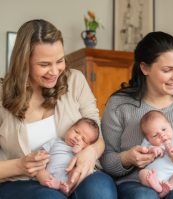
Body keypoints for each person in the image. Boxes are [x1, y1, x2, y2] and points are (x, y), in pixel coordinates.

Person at [0, 19, 117, 199]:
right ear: (24, 62)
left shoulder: (75, 81)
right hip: (23, 183)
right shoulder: (2, 95)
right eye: (44, 64)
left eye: (60, 61)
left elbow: (99, 136)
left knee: (100, 191)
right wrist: (21, 165)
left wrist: (91, 152)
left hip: (79, 173)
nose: (55, 71)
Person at [100, 31, 173, 199]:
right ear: (144, 68)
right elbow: (105, 161)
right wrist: (127, 158)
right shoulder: (119, 104)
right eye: (167, 70)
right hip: (137, 185)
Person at [36, 118, 100, 195]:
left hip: (68, 178)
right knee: (39, 172)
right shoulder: (55, 141)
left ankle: (68, 187)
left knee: (76, 171)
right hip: (50, 175)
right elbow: (44, 153)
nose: (78, 138)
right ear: (69, 129)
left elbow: (81, 162)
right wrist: (41, 155)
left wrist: (78, 152)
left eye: (83, 140)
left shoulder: (82, 152)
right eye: (76, 132)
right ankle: (54, 184)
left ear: (87, 146)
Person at [138, 110, 173, 198]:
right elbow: (142, 153)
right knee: (142, 173)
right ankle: (156, 186)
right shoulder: (149, 144)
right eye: (155, 135)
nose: (162, 135)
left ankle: (169, 188)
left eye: (164, 129)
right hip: (153, 175)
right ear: (147, 138)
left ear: (170, 125)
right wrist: (152, 149)